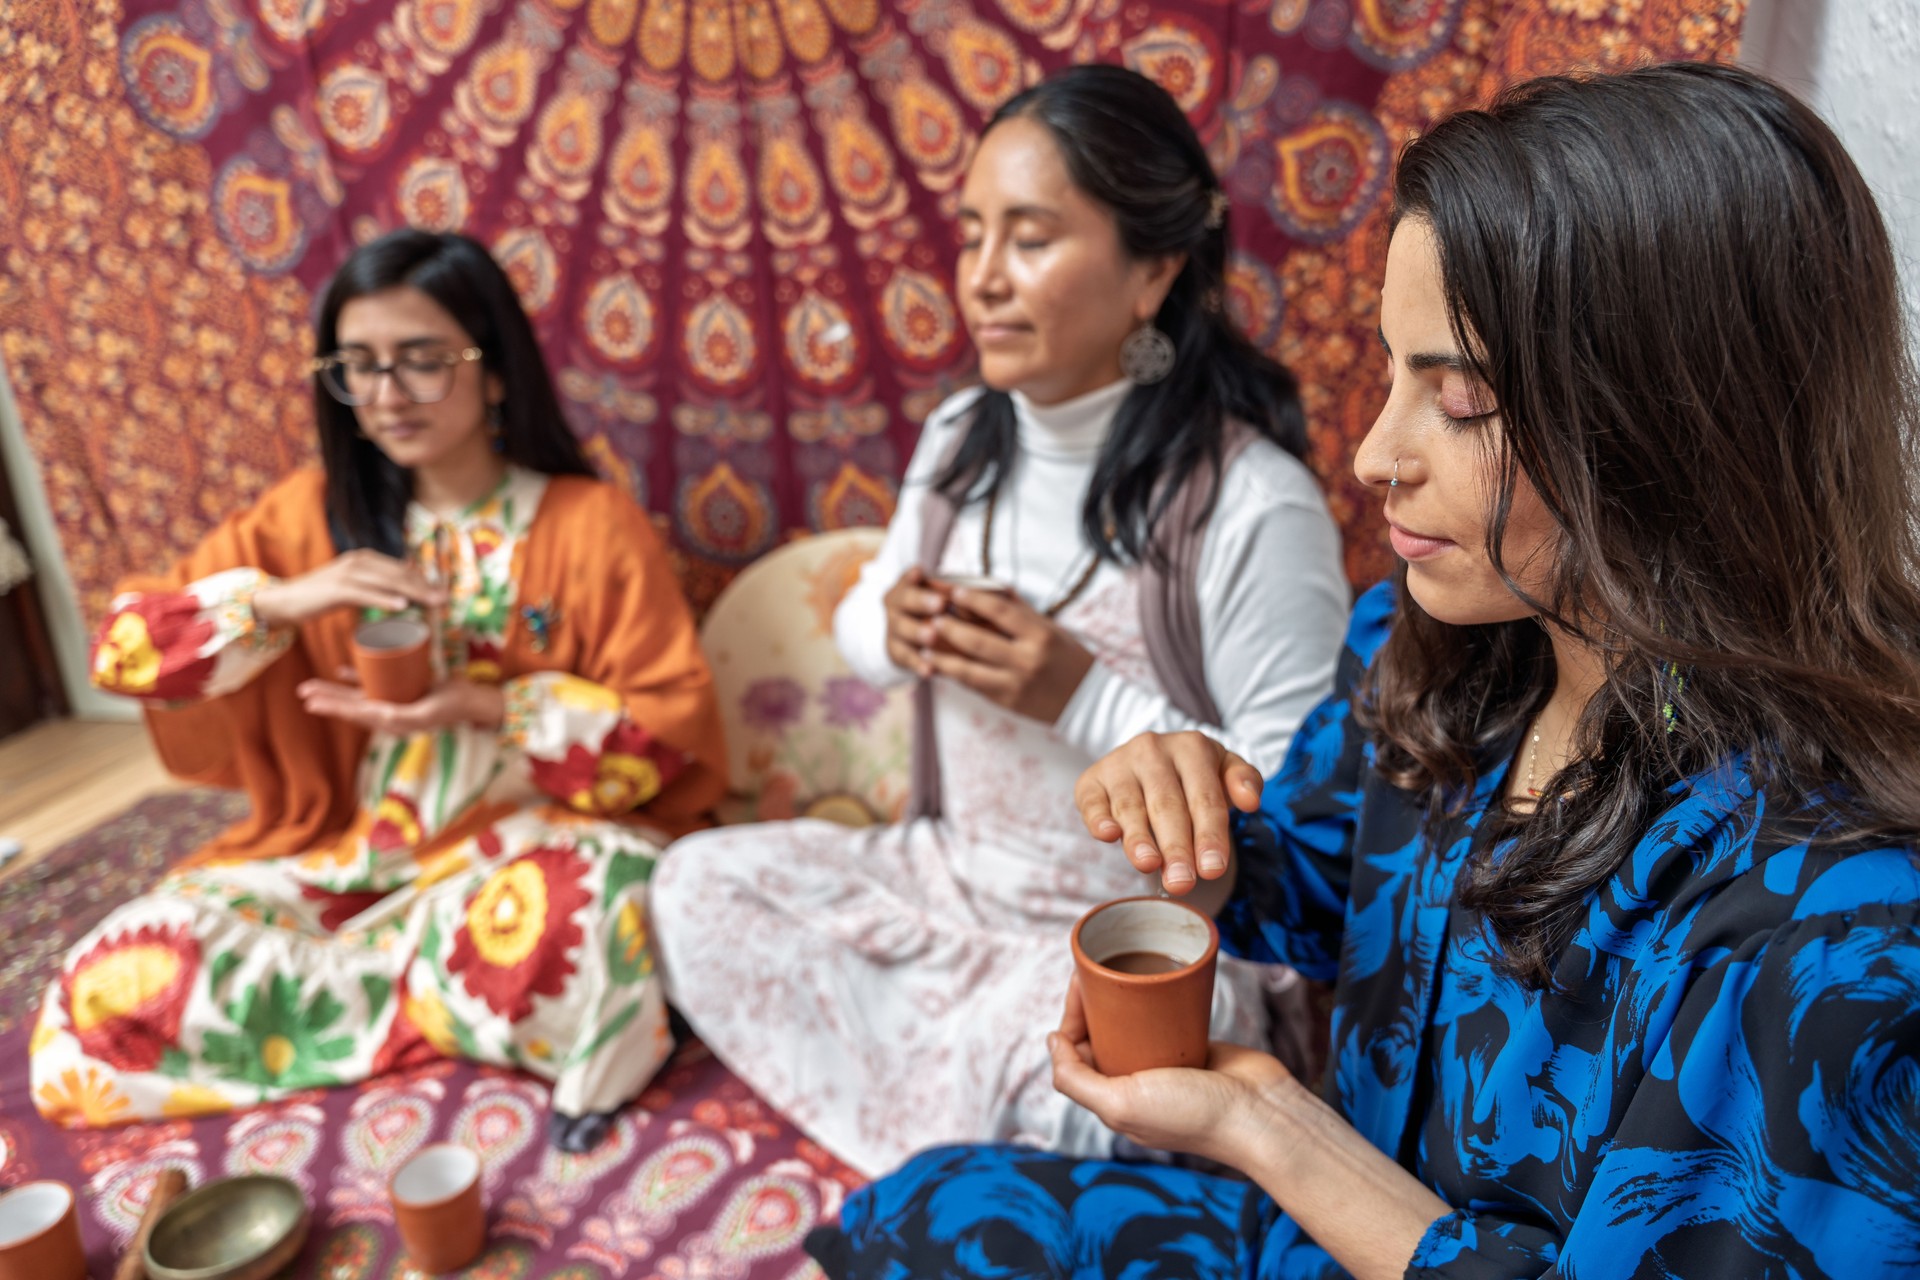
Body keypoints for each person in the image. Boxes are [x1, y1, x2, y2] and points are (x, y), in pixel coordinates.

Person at [807, 62, 1920, 1277]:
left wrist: (1272, 1126)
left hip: (1365, 1220)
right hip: (1310, 1232)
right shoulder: (1431, 646)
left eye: (1462, 397)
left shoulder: (1838, 936)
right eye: (1392, 375)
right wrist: (1198, 827)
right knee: (926, 1210)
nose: (1374, 457)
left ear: (1669, 419)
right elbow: (1324, 881)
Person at [650, 64, 1349, 1176]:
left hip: (1136, 945)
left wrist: (1077, 692)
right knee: (693, 887)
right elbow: (862, 625)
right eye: (972, 236)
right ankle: (975, 1151)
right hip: (952, 875)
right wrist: (900, 626)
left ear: (1153, 269)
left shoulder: (1254, 502)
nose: (980, 279)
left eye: (1028, 238)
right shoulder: (967, 431)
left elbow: (1308, 813)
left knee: (1099, 1089)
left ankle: (983, 1145)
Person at [30, 230, 726, 1153]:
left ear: (495, 373)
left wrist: (482, 706)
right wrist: (283, 600)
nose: (389, 396)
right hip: (344, 867)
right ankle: (453, 1008)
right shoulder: (311, 520)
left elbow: (665, 743)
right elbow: (127, 653)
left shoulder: (589, 523)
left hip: (518, 859)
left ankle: (363, 1004)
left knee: (598, 901)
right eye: (359, 368)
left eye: (422, 362)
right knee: (103, 987)